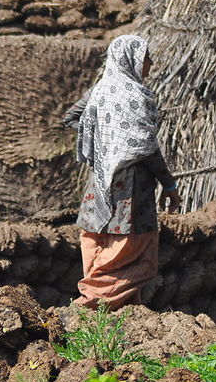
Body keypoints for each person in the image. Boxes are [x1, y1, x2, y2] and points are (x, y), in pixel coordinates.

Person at [61, 34, 181, 309]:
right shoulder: (136, 97)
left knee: (98, 246)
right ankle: (90, 305)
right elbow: (147, 149)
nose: (150, 63)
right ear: (132, 61)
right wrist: (169, 185)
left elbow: (70, 118)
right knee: (140, 260)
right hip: (130, 191)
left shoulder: (98, 92)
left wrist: (103, 140)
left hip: (100, 186)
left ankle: (117, 324)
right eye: (146, 57)